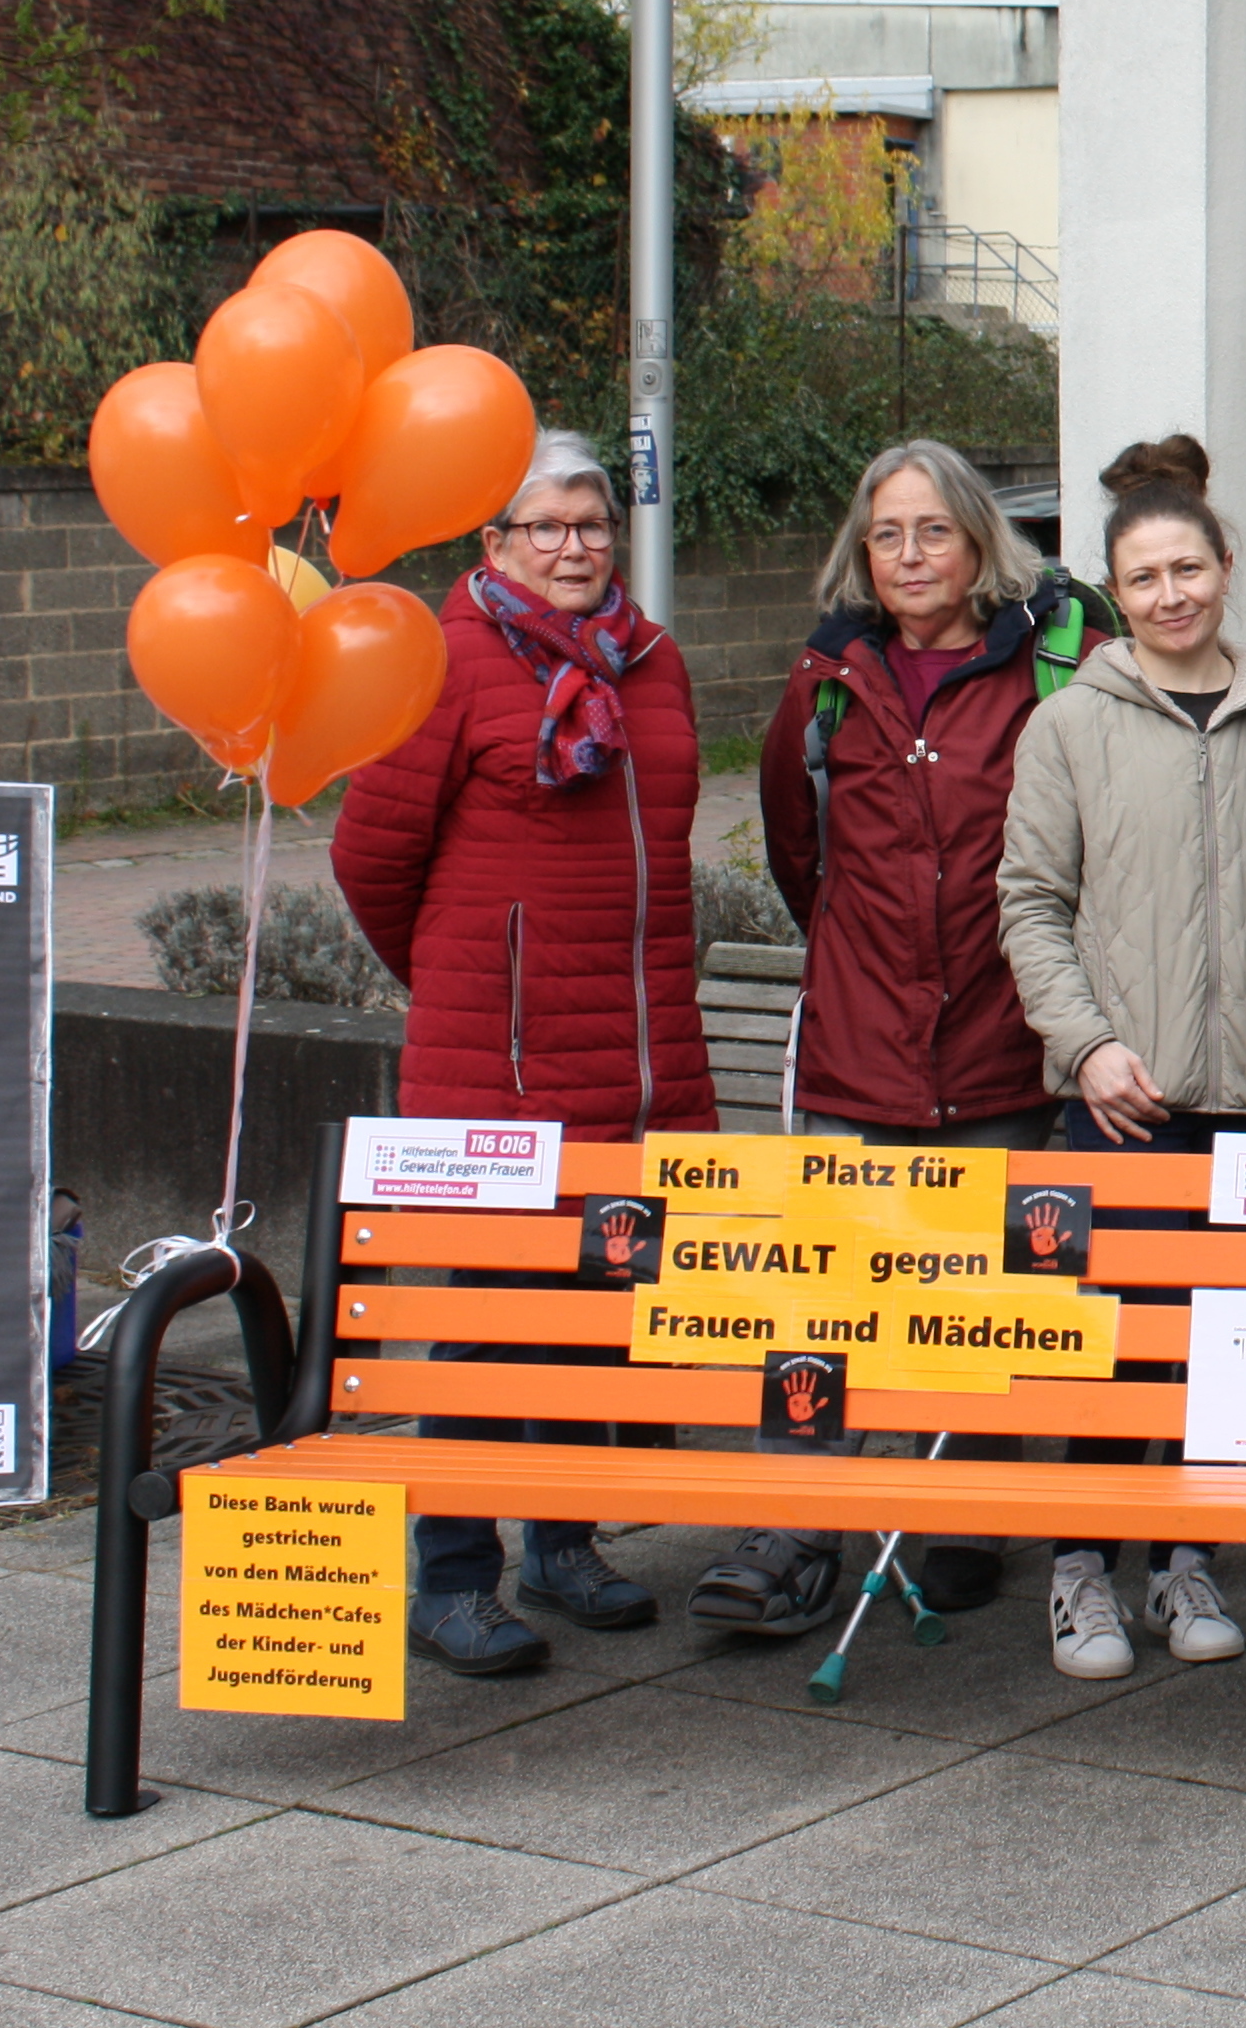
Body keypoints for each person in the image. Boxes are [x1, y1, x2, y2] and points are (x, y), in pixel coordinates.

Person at [704, 439, 1113, 1639]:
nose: (912, 555)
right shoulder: (826, 682)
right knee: (820, 1295)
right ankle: (795, 1528)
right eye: (888, 535)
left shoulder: (1055, 667)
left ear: (981, 539)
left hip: (998, 1030)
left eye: (934, 530)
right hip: (861, 1037)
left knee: (972, 1286)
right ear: (862, 553)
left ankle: (962, 1512)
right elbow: (799, 851)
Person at [333, 429, 714, 1676]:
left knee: (596, 1314)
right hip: (500, 1064)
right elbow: (371, 859)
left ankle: (561, 1541)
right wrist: (470, 981)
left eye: (591, 524)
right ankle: (451, 1576)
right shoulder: (439, 662)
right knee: (493, 1329)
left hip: (637, 1055)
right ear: (491, 544)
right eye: (542, 527)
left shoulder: (651, 664)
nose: (572, 548)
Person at [1000, 435, 1246, 1680]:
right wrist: (1087, 1046)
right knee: (1108, 1346)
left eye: (1188, 569)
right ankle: (1081, 1574)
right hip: (1124, 1103)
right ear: (1116, 589)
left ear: (1223, 567)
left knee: (1229, 1344)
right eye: (1144, 576)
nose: (1170, 594)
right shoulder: (1068, 727)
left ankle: (1187, 1558)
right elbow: (1032, 905)